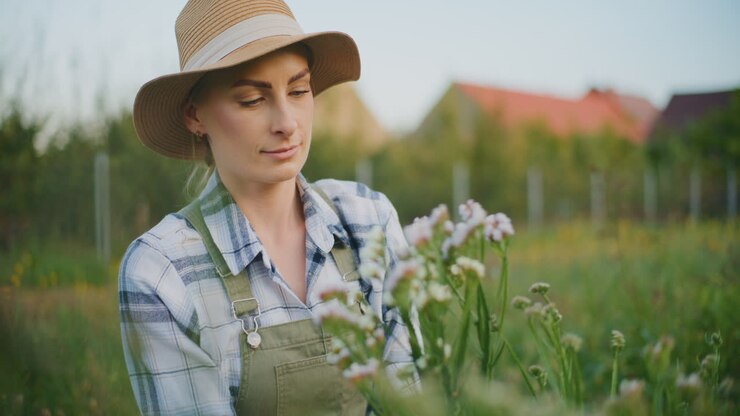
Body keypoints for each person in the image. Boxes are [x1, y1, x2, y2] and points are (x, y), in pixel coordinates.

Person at [118, 0, 415, 415]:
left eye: (298, 90)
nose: (287, 122)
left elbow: (412, 397)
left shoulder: (368, 220)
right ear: (194, 115)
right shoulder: (162, 272)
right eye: (252, 100)